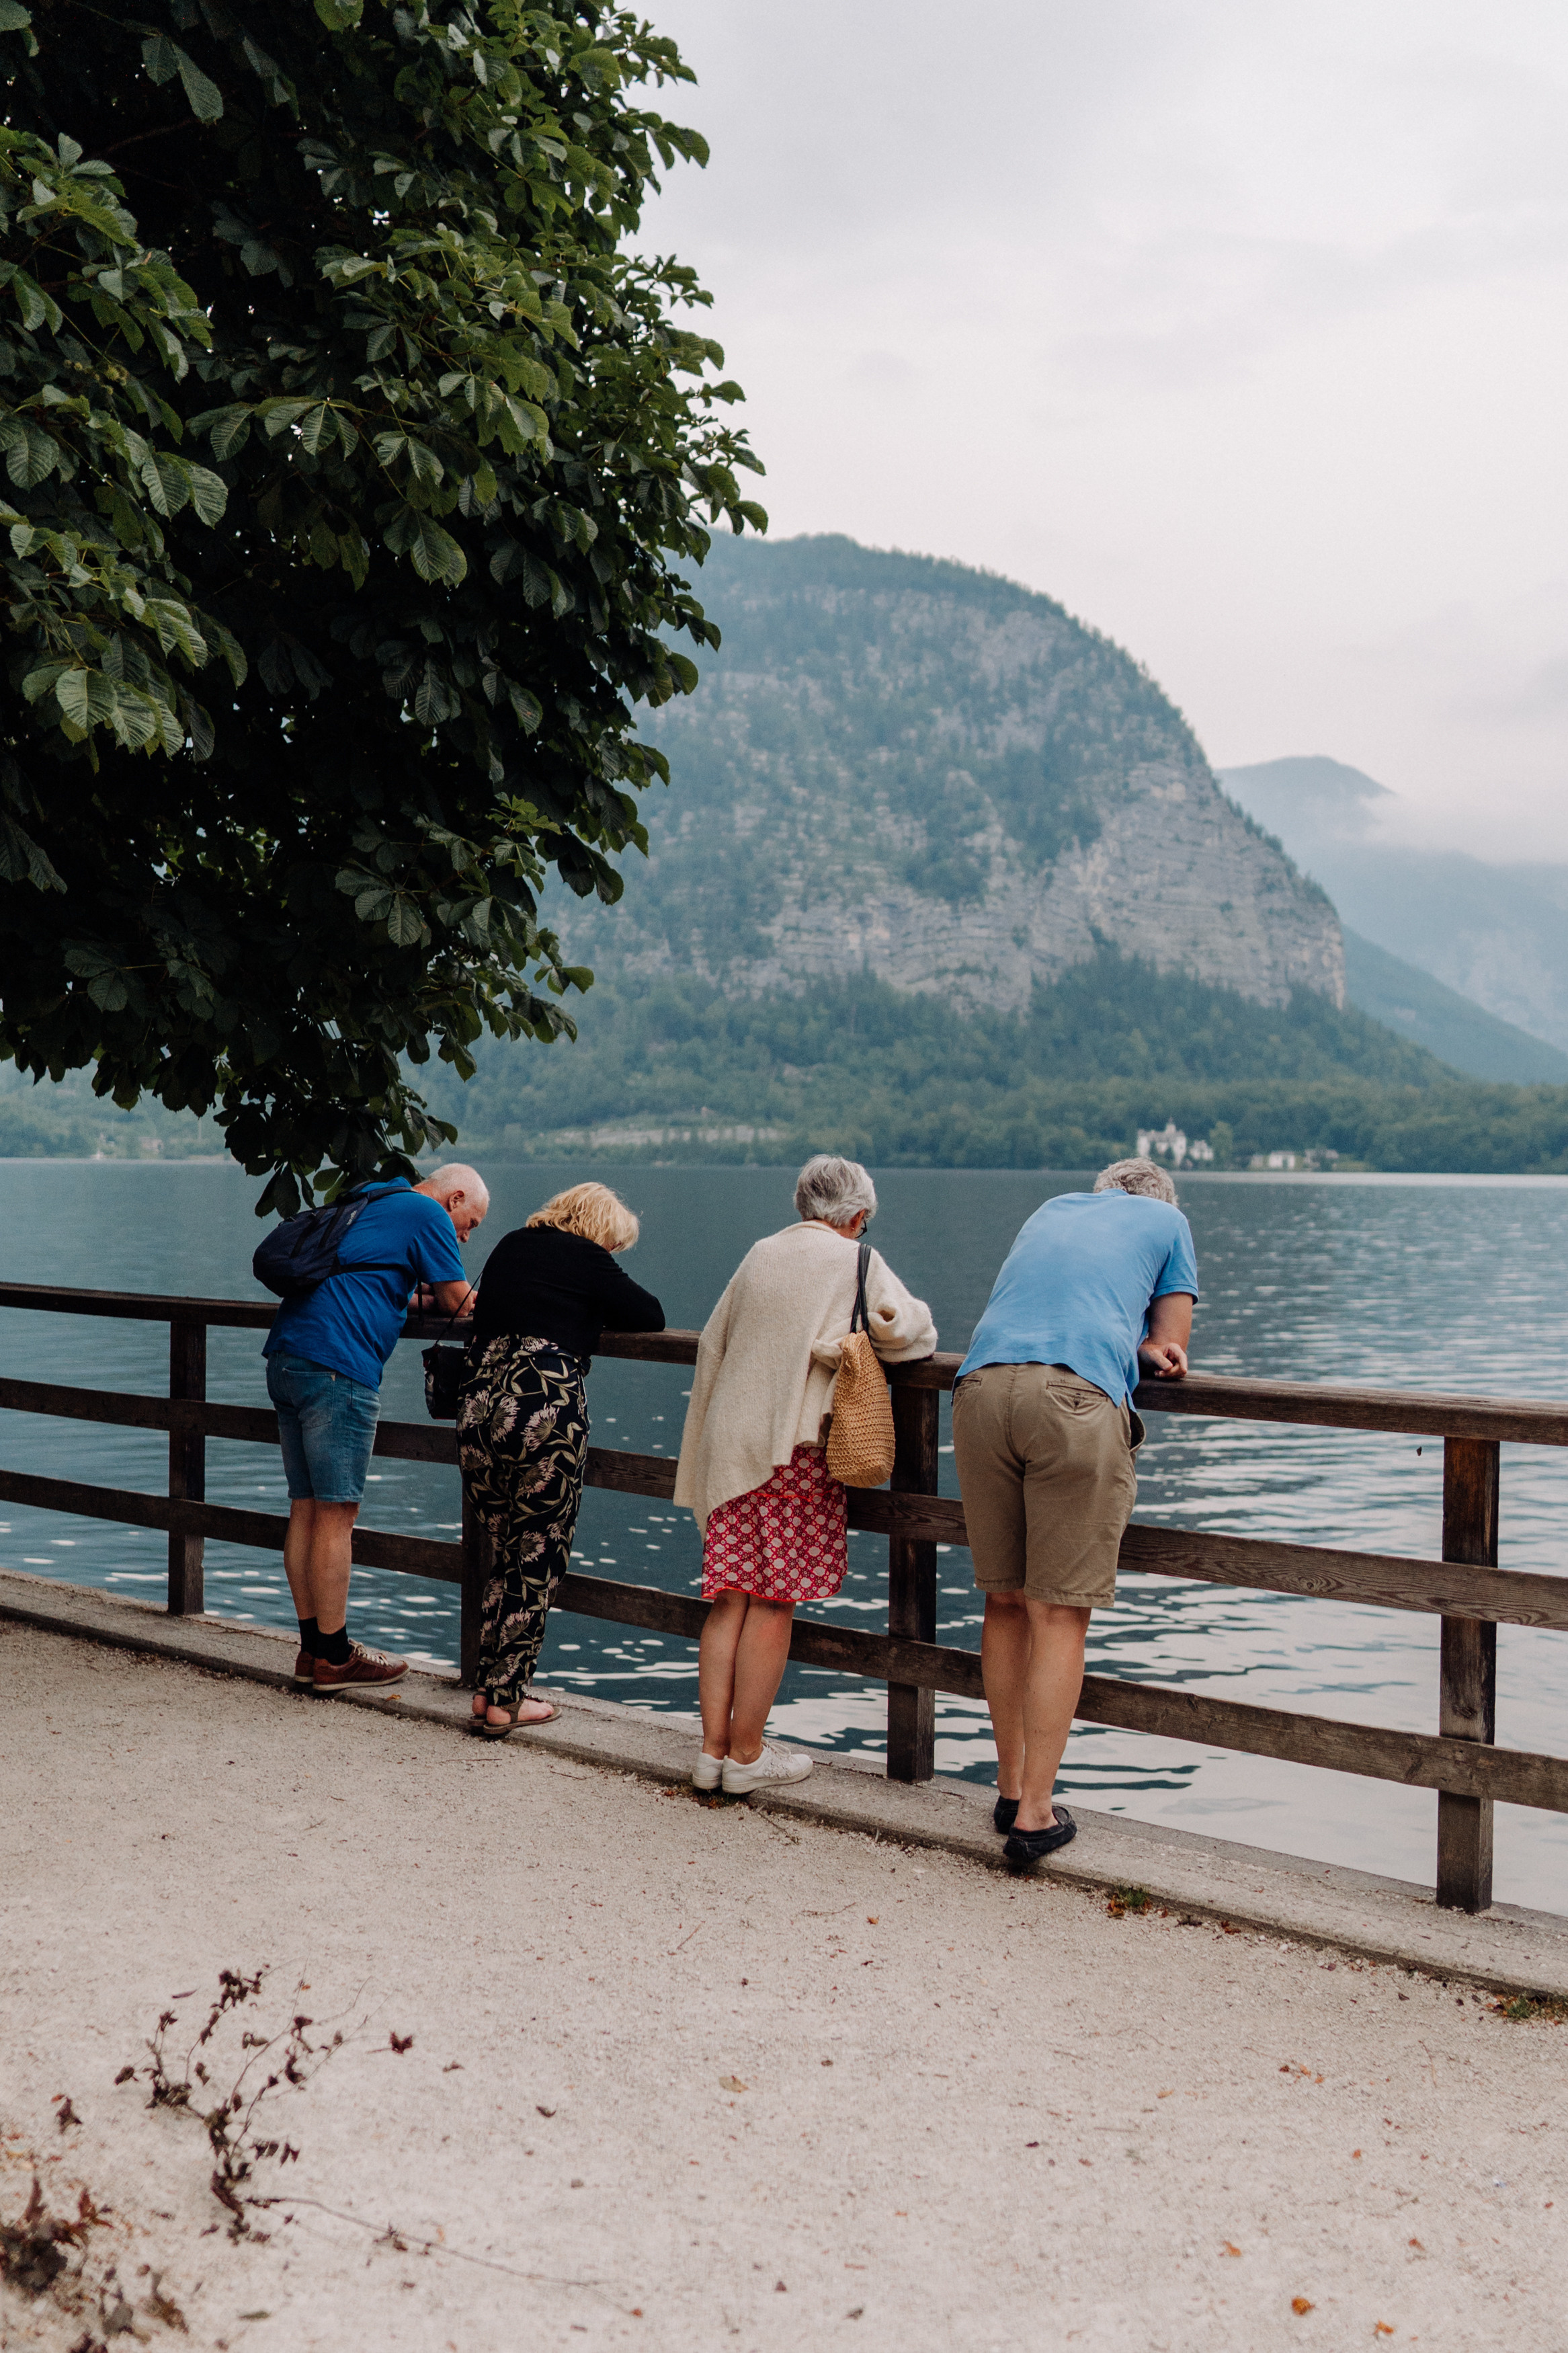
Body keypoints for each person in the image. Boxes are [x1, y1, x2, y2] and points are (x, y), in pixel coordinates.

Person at [951, 1156, 1197, 1865]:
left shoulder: (1052, 1208)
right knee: (1056, 1612)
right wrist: (1151, 1347)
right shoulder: (1167, 1221)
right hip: (1071, 1395)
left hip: (981, 1389)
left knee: (1004, 1600)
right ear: (1157, 1199)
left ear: (1101, 1193)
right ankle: (1033, 1813)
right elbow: (1170, 1342)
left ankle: (1006, 1788)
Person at [675, 1154, 936, 1794]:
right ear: (858, 1216)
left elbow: (713, 1342)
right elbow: (911, 1333)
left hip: (732, 1444)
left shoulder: (761, 1252)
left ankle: (710, 1753)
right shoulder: (854, 1261)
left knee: (730, 1594)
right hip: (793, 1449)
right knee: (772, 1599)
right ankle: (745, 1755)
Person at [263, 1164, 488, 1695]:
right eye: (471, 1222)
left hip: (289, 1356)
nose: (465, 1234)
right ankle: (336, 1658)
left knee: (307, 1507)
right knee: (338, 1515)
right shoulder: (427, 1213)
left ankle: (311, 1650)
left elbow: (371, 1283)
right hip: (339, 1366)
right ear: (454, 1198)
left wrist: (419, 1297)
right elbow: (459, 1302)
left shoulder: (373, 1199)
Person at [458, 1182, 664, 1737]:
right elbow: (650, 1315)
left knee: (506, 1549)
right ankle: (506, 1701)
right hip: (541, 1411)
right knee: (537, 1555)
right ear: (599, 1230)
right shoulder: (588, 1257)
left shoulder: (509, 1244)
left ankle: (486, 1690)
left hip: (478, 1409)